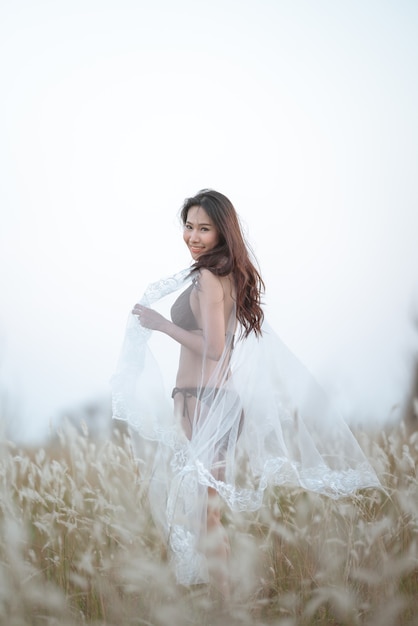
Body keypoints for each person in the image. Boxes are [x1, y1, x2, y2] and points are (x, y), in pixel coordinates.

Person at [111, 189, 380, 595]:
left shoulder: (206, 277)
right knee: (206, 510)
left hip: (203, 400)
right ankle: (223, 599)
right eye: (188, 226)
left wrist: (160, 324)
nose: (193, 236)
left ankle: (225, 604)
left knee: (206, 514)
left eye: (204, 228)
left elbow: (215, 348)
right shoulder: (225, 274)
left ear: (222, 232)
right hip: (214, 401)